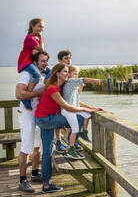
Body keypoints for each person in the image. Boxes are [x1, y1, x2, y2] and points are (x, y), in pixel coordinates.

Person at [35, 63, 98, 193]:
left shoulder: (62, 87)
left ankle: (46, 185)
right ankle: (71, 148)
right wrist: (86, 110)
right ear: (57, 73)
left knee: (47, 152)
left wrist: (91, 108)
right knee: (79, 118)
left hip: (43, 119)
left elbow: (73, 102)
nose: (67, 74)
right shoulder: (53, 88)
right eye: (64, 72)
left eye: (68, 72)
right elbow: (68, 107)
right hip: (46, 119)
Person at [15, 50, 50, 193]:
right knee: (26, 147)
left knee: (37, 146)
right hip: (27, 114)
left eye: (46, 60)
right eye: (42, 61)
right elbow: (19, 94)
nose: (45, 63)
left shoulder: (44, 74)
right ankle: (22, 180)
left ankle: (35, 173)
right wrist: (37, 93)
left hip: (39, 115)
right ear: (35, 62)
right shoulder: (26, 74)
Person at [62, 65, 102, 157]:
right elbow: (83, 79)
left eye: (77, 74)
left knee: (87, 115)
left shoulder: (73, 85)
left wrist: (92, 109)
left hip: (73, 109)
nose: (76, 76)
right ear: (69, 74)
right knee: (75, 129)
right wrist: (95, 81)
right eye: (75, 73)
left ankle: (84, 132)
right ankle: (71, 149)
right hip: (67, 110)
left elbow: (77, 102)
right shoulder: (70, 81)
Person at [17, 18, 46, 110]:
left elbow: (39, 51)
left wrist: (36, 50)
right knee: (37, 74)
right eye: (39, 26)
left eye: (43, 27)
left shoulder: (36, 38)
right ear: (32, 26)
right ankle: (26, 97)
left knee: (49, 71)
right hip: (26, 62)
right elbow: (42, 50)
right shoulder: (30, 38)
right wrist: (41, 38)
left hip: (31, 61)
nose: (41, 28)